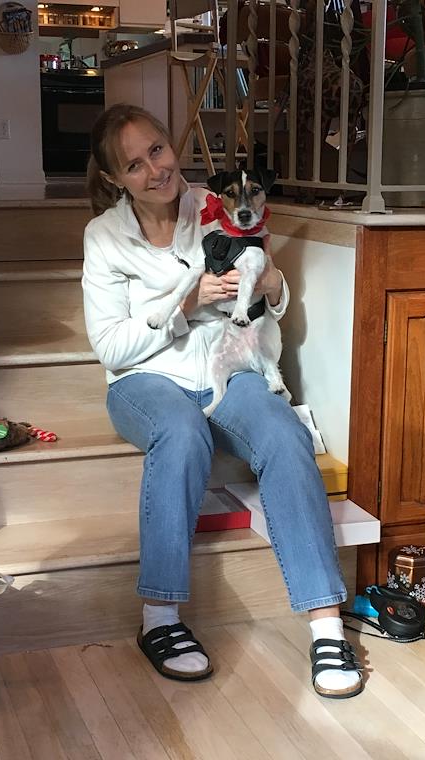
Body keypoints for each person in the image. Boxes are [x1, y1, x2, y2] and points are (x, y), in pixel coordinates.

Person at [82, 103, 363, 698]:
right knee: (182, 432)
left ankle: (326, 624)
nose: (156, 170)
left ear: (171, 144)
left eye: (158, 150)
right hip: (143, 379)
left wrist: (275, 286)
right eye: (134, 165)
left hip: (228, 364)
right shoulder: (104, 237)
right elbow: (110, 347)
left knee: (283, 432)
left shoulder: (218, 204)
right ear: (114, 178)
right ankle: (160, 618)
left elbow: (268, 297)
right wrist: (184, 308)